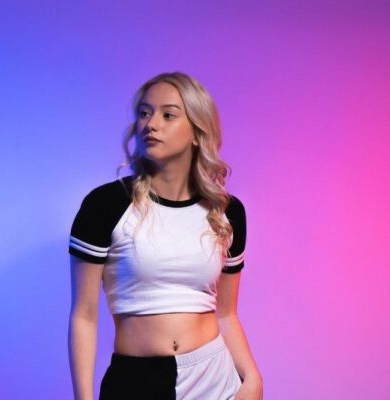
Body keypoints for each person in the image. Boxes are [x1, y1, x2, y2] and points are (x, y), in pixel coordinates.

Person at [68, 71, 263, 399]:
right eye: (144, 113)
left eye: (168, 115)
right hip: (136, 381)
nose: (151, 124)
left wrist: (252, 377)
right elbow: (84, 316)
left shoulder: (227, 213)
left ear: (197, 133)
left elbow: (227, 314)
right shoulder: (106, 205)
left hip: (215, 380)